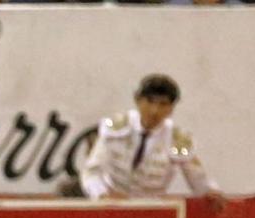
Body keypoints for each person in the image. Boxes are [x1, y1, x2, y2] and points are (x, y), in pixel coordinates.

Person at [79, 74, 226, 210]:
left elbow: (197, 177)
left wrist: (211, 191)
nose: (154, 111)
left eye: (163, 104)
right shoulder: (116, 129)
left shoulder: (176, 140)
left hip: (152, 209)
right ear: (138, 100)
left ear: (171, 108)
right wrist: (102, 195)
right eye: (150, 102)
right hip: (113, 205)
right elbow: (92, 172)